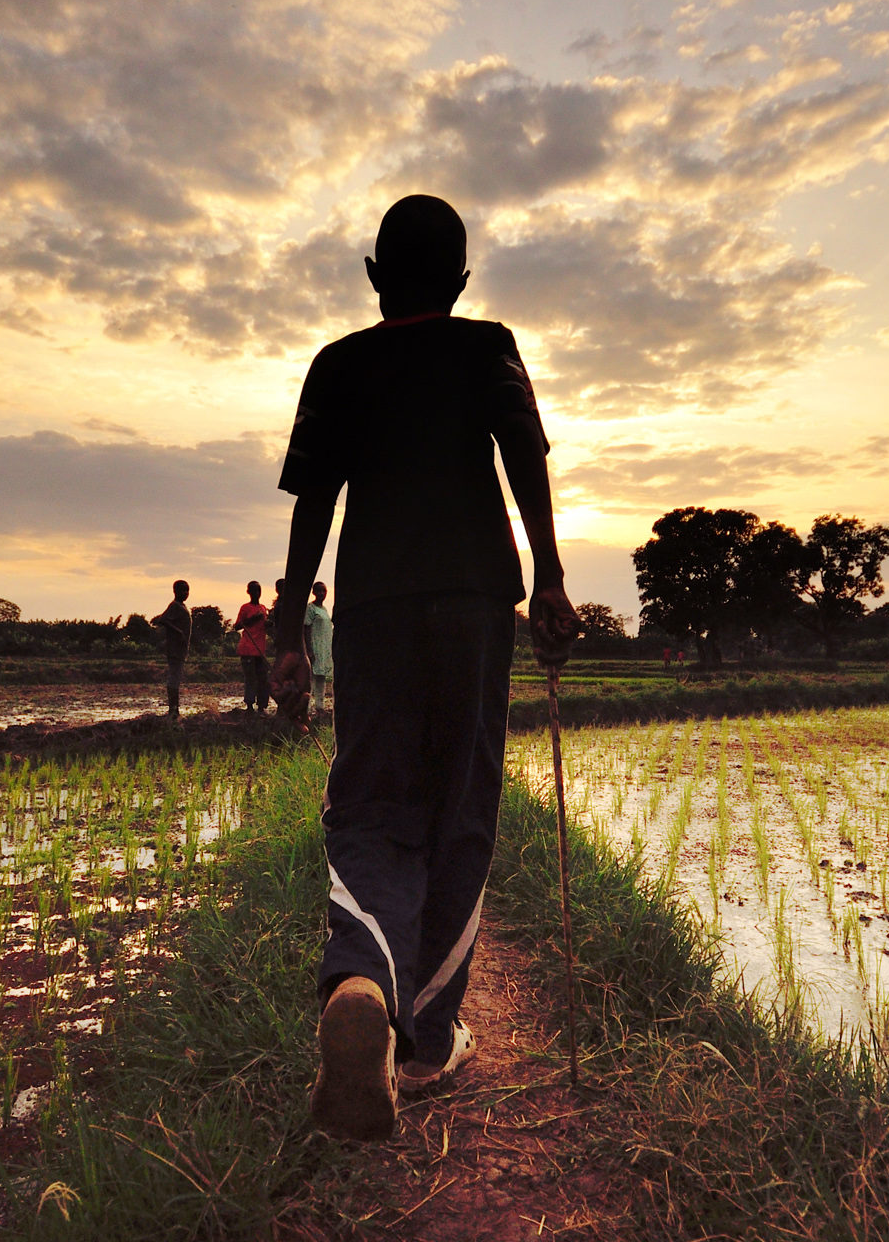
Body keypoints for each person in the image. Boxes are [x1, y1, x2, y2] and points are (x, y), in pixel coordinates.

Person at [270, 194, 579, 1142]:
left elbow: (313, 502)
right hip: (478, 601)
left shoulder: (338, 364)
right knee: (460, 805)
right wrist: (552, 583)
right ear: (458, 280)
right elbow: (525, 462)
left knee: (372, 799)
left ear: (372, 277)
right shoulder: (488, 344)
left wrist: (289, 621)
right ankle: (425, 1040)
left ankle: (361, 979)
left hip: (372, 608)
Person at [149, 580, 192, 720]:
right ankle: (173, 710)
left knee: (176, 677)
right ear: (175, 591)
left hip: (180, 648)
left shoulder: (181, 606)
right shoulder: (174, 606)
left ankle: (174, 709)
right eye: (182, 590)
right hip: (174, 648)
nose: (185, 593)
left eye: (187, 590)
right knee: (174, 677)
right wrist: (178, 631)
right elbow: (163, 620)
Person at [235, 580, 269, 714]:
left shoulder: (263, 608)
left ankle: (262, 707)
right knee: (251, 679)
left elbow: (263, 626)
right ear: (248, 592)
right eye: (254, 590)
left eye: (258, 590)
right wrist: (253, 619)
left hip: (260, 649)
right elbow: (237, 626)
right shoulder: (245, 608)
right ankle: (249, 706)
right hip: (248, 648)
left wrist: (267, 624)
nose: (256, 593)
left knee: (263, 679)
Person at [303, 581, 334, 716]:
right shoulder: (310, 608)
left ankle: (320, 707)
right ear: (314, 592)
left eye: (324, 591)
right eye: (319, 591)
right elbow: (306, 628)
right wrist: (309, 649)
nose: (321, 593)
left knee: (321, 677)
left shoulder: (324, 609)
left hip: (324, 648)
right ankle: (306, 709)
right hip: (315, 647)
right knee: (311, 678)